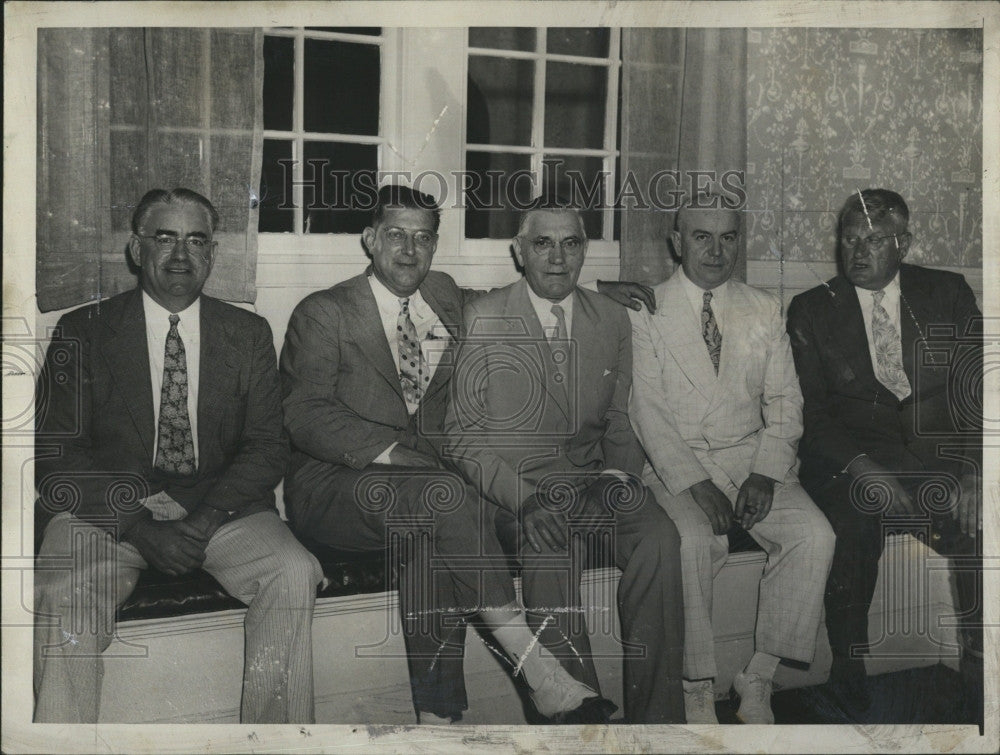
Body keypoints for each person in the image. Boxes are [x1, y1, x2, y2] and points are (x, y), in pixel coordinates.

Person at [280, 184, 650, 724]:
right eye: (396, 235)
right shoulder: (324, 313)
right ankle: (537, 668)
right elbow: (304, 412)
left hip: (425, 497)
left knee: (433, 532)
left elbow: (528, 290)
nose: (410, 251)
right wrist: (395, 454)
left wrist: (594, 288)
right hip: (337, 486)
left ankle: (440, 718)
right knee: (447, 494)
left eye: (423, 238)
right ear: (369, 239)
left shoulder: (446, 295)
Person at [33, 188, 324, 723]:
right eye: (164, 238)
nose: (181, 254)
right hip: (108, 515)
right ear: (135, 249)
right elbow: (56, 459)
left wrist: (208, 517)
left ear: (213, 254)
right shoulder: (83, 331)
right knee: (63, 590)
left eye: (196, 240)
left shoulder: (248, 334)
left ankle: (274, 740)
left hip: (218, 511)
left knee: (293, 570)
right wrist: (142, 528)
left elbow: (266, 445)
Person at [444, 196, 686, 724]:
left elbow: (620, 419)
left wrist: (620, 477)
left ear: (584, 252)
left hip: (593, 482)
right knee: (549, 546)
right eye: (542, 243)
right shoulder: (484, 318)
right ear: (519, 252)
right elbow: (461, 438)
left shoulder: (612, 320)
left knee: (661, 537)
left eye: (571, 243)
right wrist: (527, 502)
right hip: (517, 494)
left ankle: (659, 720)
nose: (557, 258)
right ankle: (579, 717)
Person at [628, 196, 835, 724]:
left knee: (816, 535)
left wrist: (765, 472)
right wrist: (696, 485)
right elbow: (647, 413)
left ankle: (758, 675)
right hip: (679, 462)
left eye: (728, 238)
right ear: (677, 242)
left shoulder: (764, 306)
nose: (716, 251)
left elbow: (786, 401)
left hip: (751, 456)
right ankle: (697, 684)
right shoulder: (646, 309)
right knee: (693, 541)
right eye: (701, 236)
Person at [786, 188, 983, 721]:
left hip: (938, 463)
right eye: (849, 239)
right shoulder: (811, 309)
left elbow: (977, 392)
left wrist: (970, 473)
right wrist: (864, 469)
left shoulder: (947, 293)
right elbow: (814, 416)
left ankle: (981, 671)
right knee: (851, 520)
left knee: (981, 524)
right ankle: (848, 666)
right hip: (855, 460)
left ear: (904, 243)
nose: (858, 252)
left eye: (874, 240)